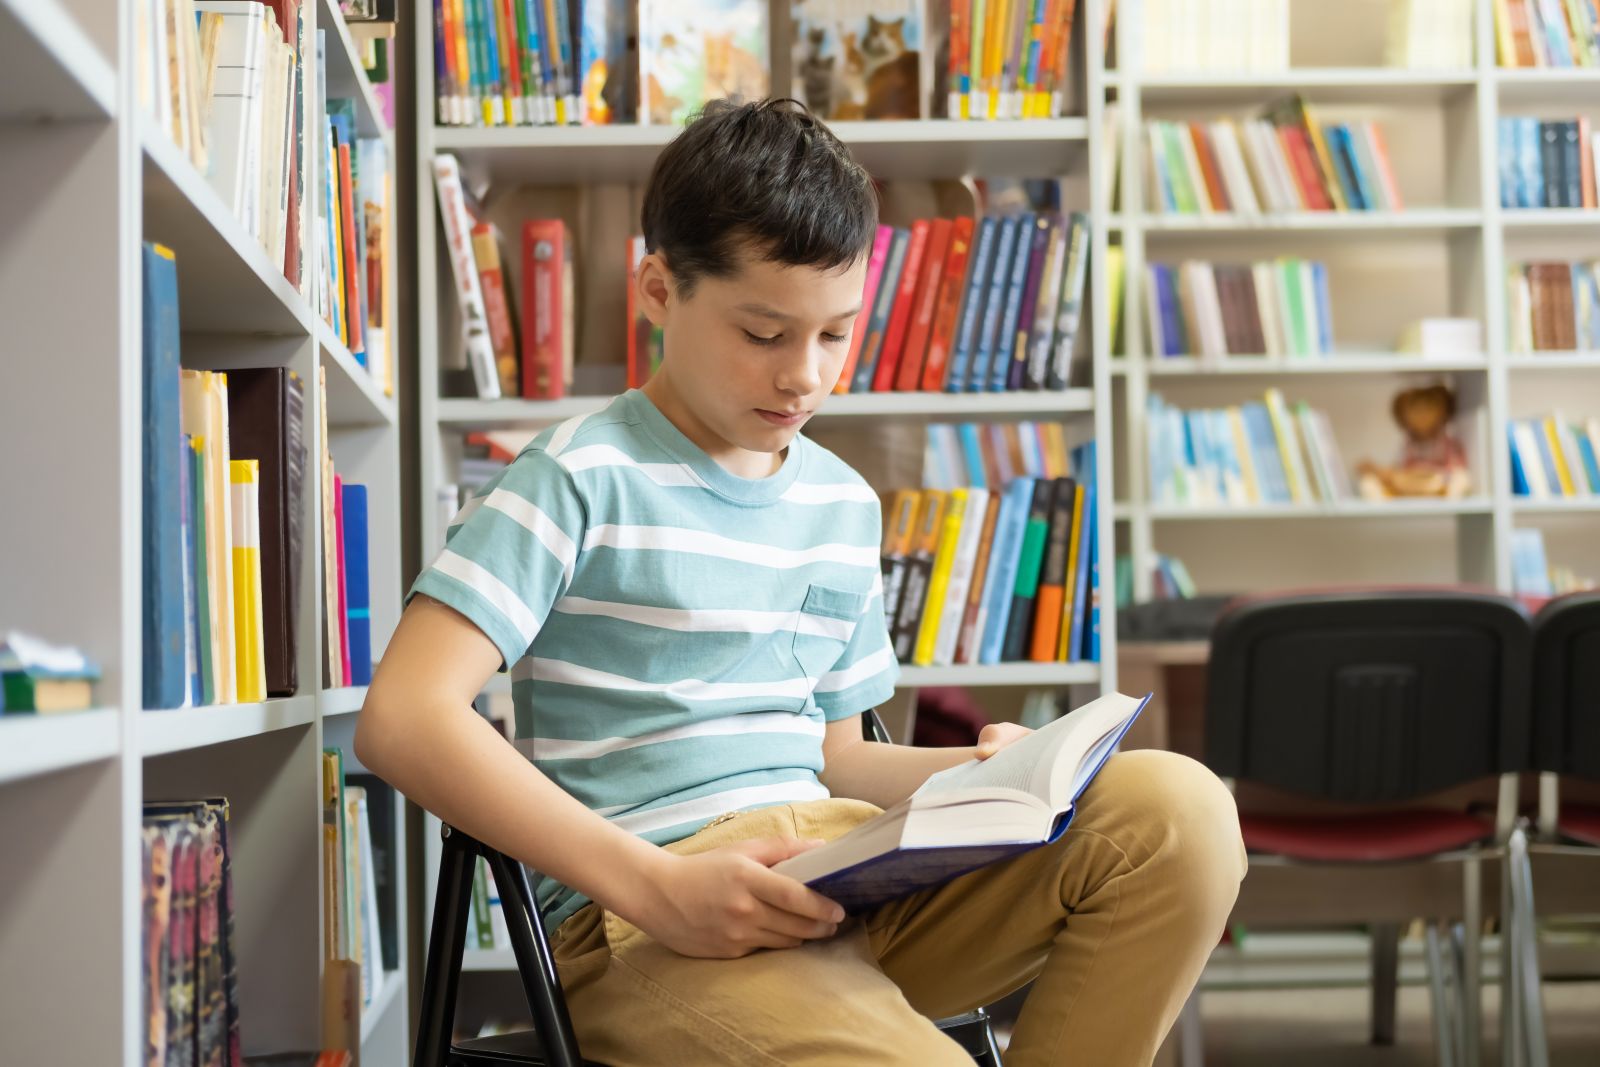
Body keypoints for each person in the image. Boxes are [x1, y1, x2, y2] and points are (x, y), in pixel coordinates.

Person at [357, 97, 1246, 1066]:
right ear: (658, 289)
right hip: (652, 919)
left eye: (835, 334)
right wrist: (656, 888)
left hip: (850, 877)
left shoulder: (841, 500)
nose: (804, 377)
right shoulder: (574, 476)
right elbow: (404, 716)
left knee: (1179, 812)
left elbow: (840, 757)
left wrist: (999, 772)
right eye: (764, 332)